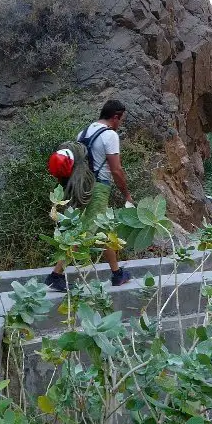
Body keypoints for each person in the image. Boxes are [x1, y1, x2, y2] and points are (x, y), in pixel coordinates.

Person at [45, 99, 133, 291]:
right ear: (115, 117)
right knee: (86, 231)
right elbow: (116, 170)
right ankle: (56, 275)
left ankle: (117, 274)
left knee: (102, 230)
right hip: (99, 188)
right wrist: (126, 194)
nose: (120, 125)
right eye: (121, 120)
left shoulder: (84, 132)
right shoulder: (109, 135)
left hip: (82, 187)